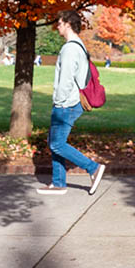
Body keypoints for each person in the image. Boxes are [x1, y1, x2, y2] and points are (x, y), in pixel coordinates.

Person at [36, 10, 106, 196]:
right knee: (55, 141)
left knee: (57, 144)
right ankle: (58, 183)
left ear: (67, 24)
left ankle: (93, 168)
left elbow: (66, 80)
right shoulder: (79, 46)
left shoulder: (70, 48)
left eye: (59, 23)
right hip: (71, 102)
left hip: (67, 103)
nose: (57, 26)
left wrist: (58, 102)